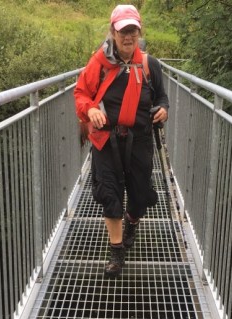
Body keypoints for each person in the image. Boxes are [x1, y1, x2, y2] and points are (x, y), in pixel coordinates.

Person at [74, 4, 170, 278]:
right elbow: (81, 93)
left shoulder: (150, 65)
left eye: (132, 31)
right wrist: (91, 109)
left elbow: (162, 97)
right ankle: (116, 253)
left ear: (139, 32)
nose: (128, 37)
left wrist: (163, 109)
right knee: (110, 193)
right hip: (106, 139)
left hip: (140, 139)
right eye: (122, 31)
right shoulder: (99, 63)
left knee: (139, 196)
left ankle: (132, 222)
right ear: (113, 32)